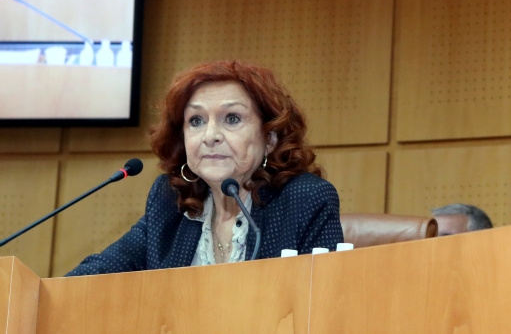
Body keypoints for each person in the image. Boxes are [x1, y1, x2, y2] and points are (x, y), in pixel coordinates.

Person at [67, 61, 343, 275]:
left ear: (269, 138)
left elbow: (325, 304)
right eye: (196, 121)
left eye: (232, 118)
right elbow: (99, 272)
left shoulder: (305, 199)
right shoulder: (171, 201)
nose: (210, 136)